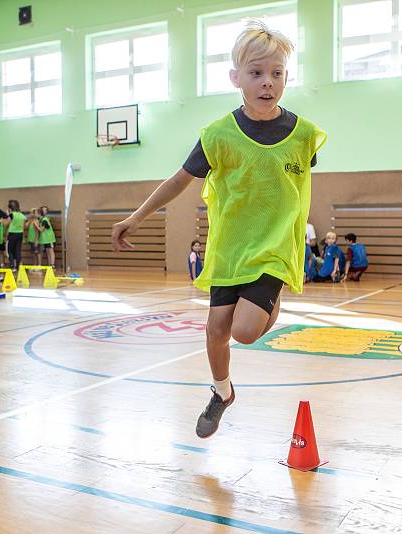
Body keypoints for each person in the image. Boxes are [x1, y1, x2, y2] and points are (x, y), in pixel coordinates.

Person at [111, 21, 325, 439]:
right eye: (256, 73)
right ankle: (221, 392)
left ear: (287, 77)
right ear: (236, 78)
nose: (268, 83)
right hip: (229, 248)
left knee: (244, 332)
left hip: (275, 248)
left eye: (277, 73)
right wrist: (136, 216)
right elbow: (178, 181)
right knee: (215, 332)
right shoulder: (217, 135)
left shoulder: (304, 135)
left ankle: (276, 288)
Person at [5, 200, 26, 272]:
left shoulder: (12, 215)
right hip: (20, 234)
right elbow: (23, 226)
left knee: (10, 250)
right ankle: (17, 267)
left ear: (10, 208)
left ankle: (12, 266)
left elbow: (6, 224)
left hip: (12, 234)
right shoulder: (22, 215)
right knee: (18, 250)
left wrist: (8, 215)